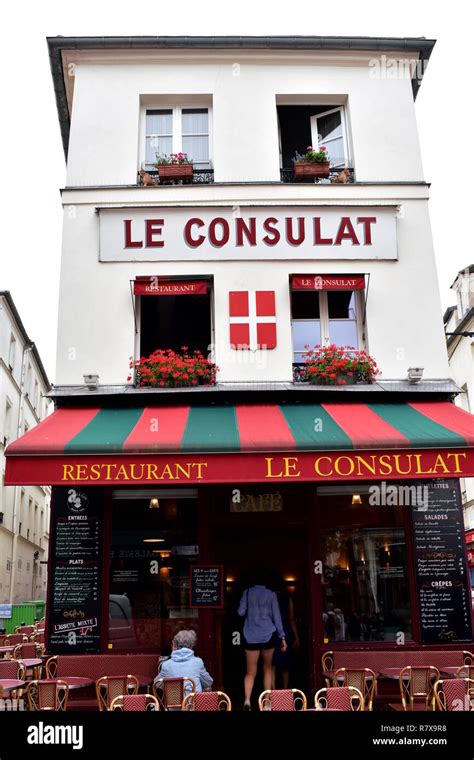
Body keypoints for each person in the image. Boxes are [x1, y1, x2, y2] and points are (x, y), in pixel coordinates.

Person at [238, 570, 287, 710]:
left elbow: (240, 612)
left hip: (250, 635)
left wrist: (248, 606)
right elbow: (277, 618)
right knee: (267, 669)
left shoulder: (247, 593)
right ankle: (266, 702)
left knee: (250, 672)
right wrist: (282, 636)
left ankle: (247, 700)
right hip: (268, 635)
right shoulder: (271, 595)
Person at [153, 629, 213, 703]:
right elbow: (208, 682)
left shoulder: (166, 665)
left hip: (173, 706)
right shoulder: (198, 662)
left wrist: (171, 688)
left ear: (174, 644)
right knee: (207, 688)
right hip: (193, 706)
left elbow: (156, 684)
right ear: (192, 645)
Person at [271, 576, 300, 689]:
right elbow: (291, 618)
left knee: (271, 664)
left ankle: (272, 694)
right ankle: (285, 691)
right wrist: (296, 637)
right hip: (285, 632)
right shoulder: (287, 597)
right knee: (285, 665)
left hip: (271, 633)